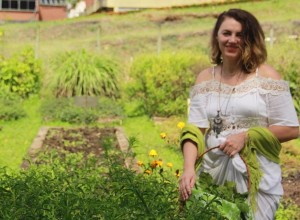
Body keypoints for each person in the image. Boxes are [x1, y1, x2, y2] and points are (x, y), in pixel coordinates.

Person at [179, 8, 299, 219]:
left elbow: (291, 128)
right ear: (217, 37)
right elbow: (194, 130)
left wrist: (246, 137)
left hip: (256, 177)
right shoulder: (205, 78)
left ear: (250, 39)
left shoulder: (266, 76)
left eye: (240, 34)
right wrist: (188, 168)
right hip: (212, 173)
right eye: (226, 33)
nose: (232, 40)